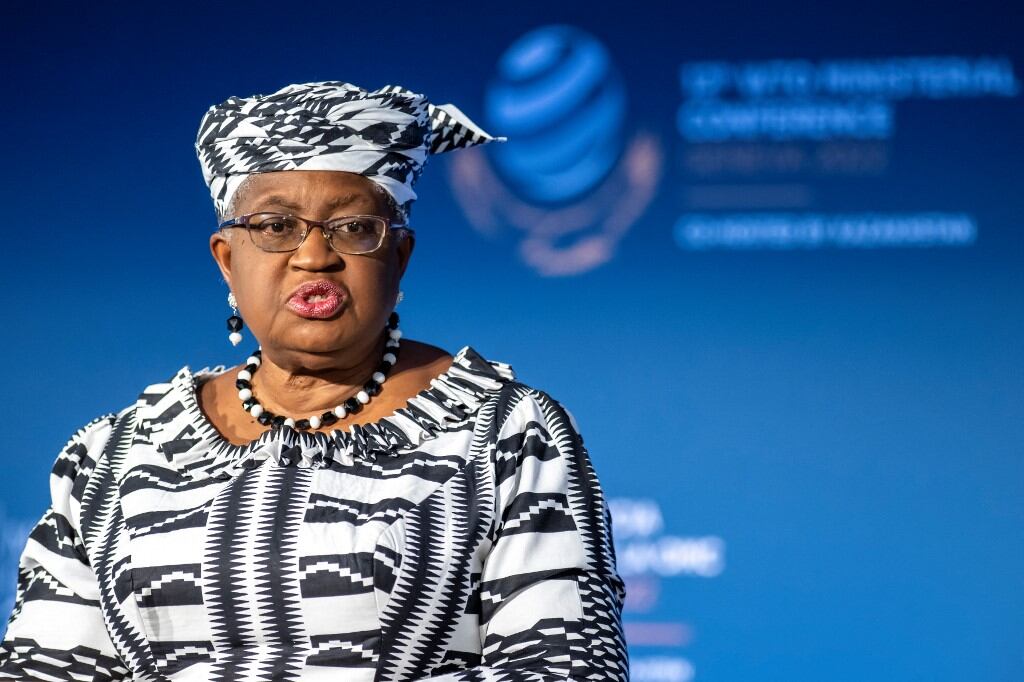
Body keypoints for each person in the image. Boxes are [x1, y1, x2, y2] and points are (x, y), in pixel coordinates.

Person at [0, 81, 628, 681]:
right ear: (226, 259)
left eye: (353, 227)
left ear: (399, 255)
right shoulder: (114, 458)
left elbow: (569, 666)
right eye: (275, 226)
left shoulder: (503, 435)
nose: (314, 255)